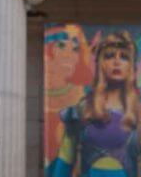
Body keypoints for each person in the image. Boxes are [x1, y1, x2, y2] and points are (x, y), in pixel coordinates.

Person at [50, 31, 141, 177]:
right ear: (101, 64)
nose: (116, 62)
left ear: (131, 67)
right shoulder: (82, 110)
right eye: (109, 56)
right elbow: (64, 162)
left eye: (124, 57)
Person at [43, 24, 93, 174]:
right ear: (49, 51)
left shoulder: (87, 99)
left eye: (76, 48)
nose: (69, 53)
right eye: (61, 45)